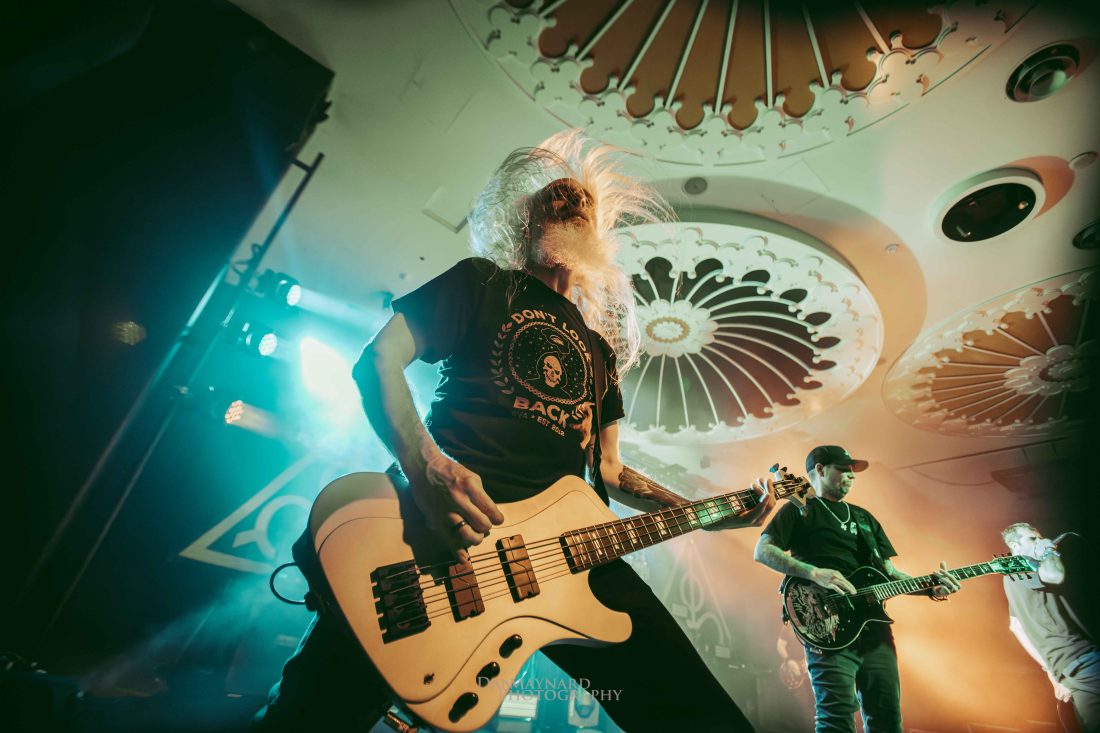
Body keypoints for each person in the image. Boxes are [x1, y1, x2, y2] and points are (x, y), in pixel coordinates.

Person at [252, 131, 775, 732]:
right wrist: (427, 468)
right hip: (444, 525)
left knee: (700, 715)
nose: (569, 201)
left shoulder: (600, 352)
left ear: (598, 234)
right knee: (309, 716)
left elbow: (608, 472)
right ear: (524, 222)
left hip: (573, 543)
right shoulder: (482, 282)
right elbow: (377, 361)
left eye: (581, 201)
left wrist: (706, 513)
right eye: (554, 197)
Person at [752, 445, 960, 733]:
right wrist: (814, 573)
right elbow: (763, 551)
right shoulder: (799, 509)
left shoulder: (864, 518)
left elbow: (890, 574)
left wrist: (930, 588)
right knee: (835, 719)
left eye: (853, 471)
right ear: (820, 469)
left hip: (874, 630)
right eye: (844, 469)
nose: (851, 476)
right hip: (827, 624)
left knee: (887, 720)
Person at [1001, 523, 1098, 732]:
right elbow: (1055, 575)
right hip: (1084, 657)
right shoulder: (1025, 565)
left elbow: (1015, 625)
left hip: (1068, 667)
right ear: (1015, 546)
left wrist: (1052, 673)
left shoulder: (1010, 575)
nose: (1040, 541)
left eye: (1040, 537)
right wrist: (1048, 550)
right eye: (1032, 539)